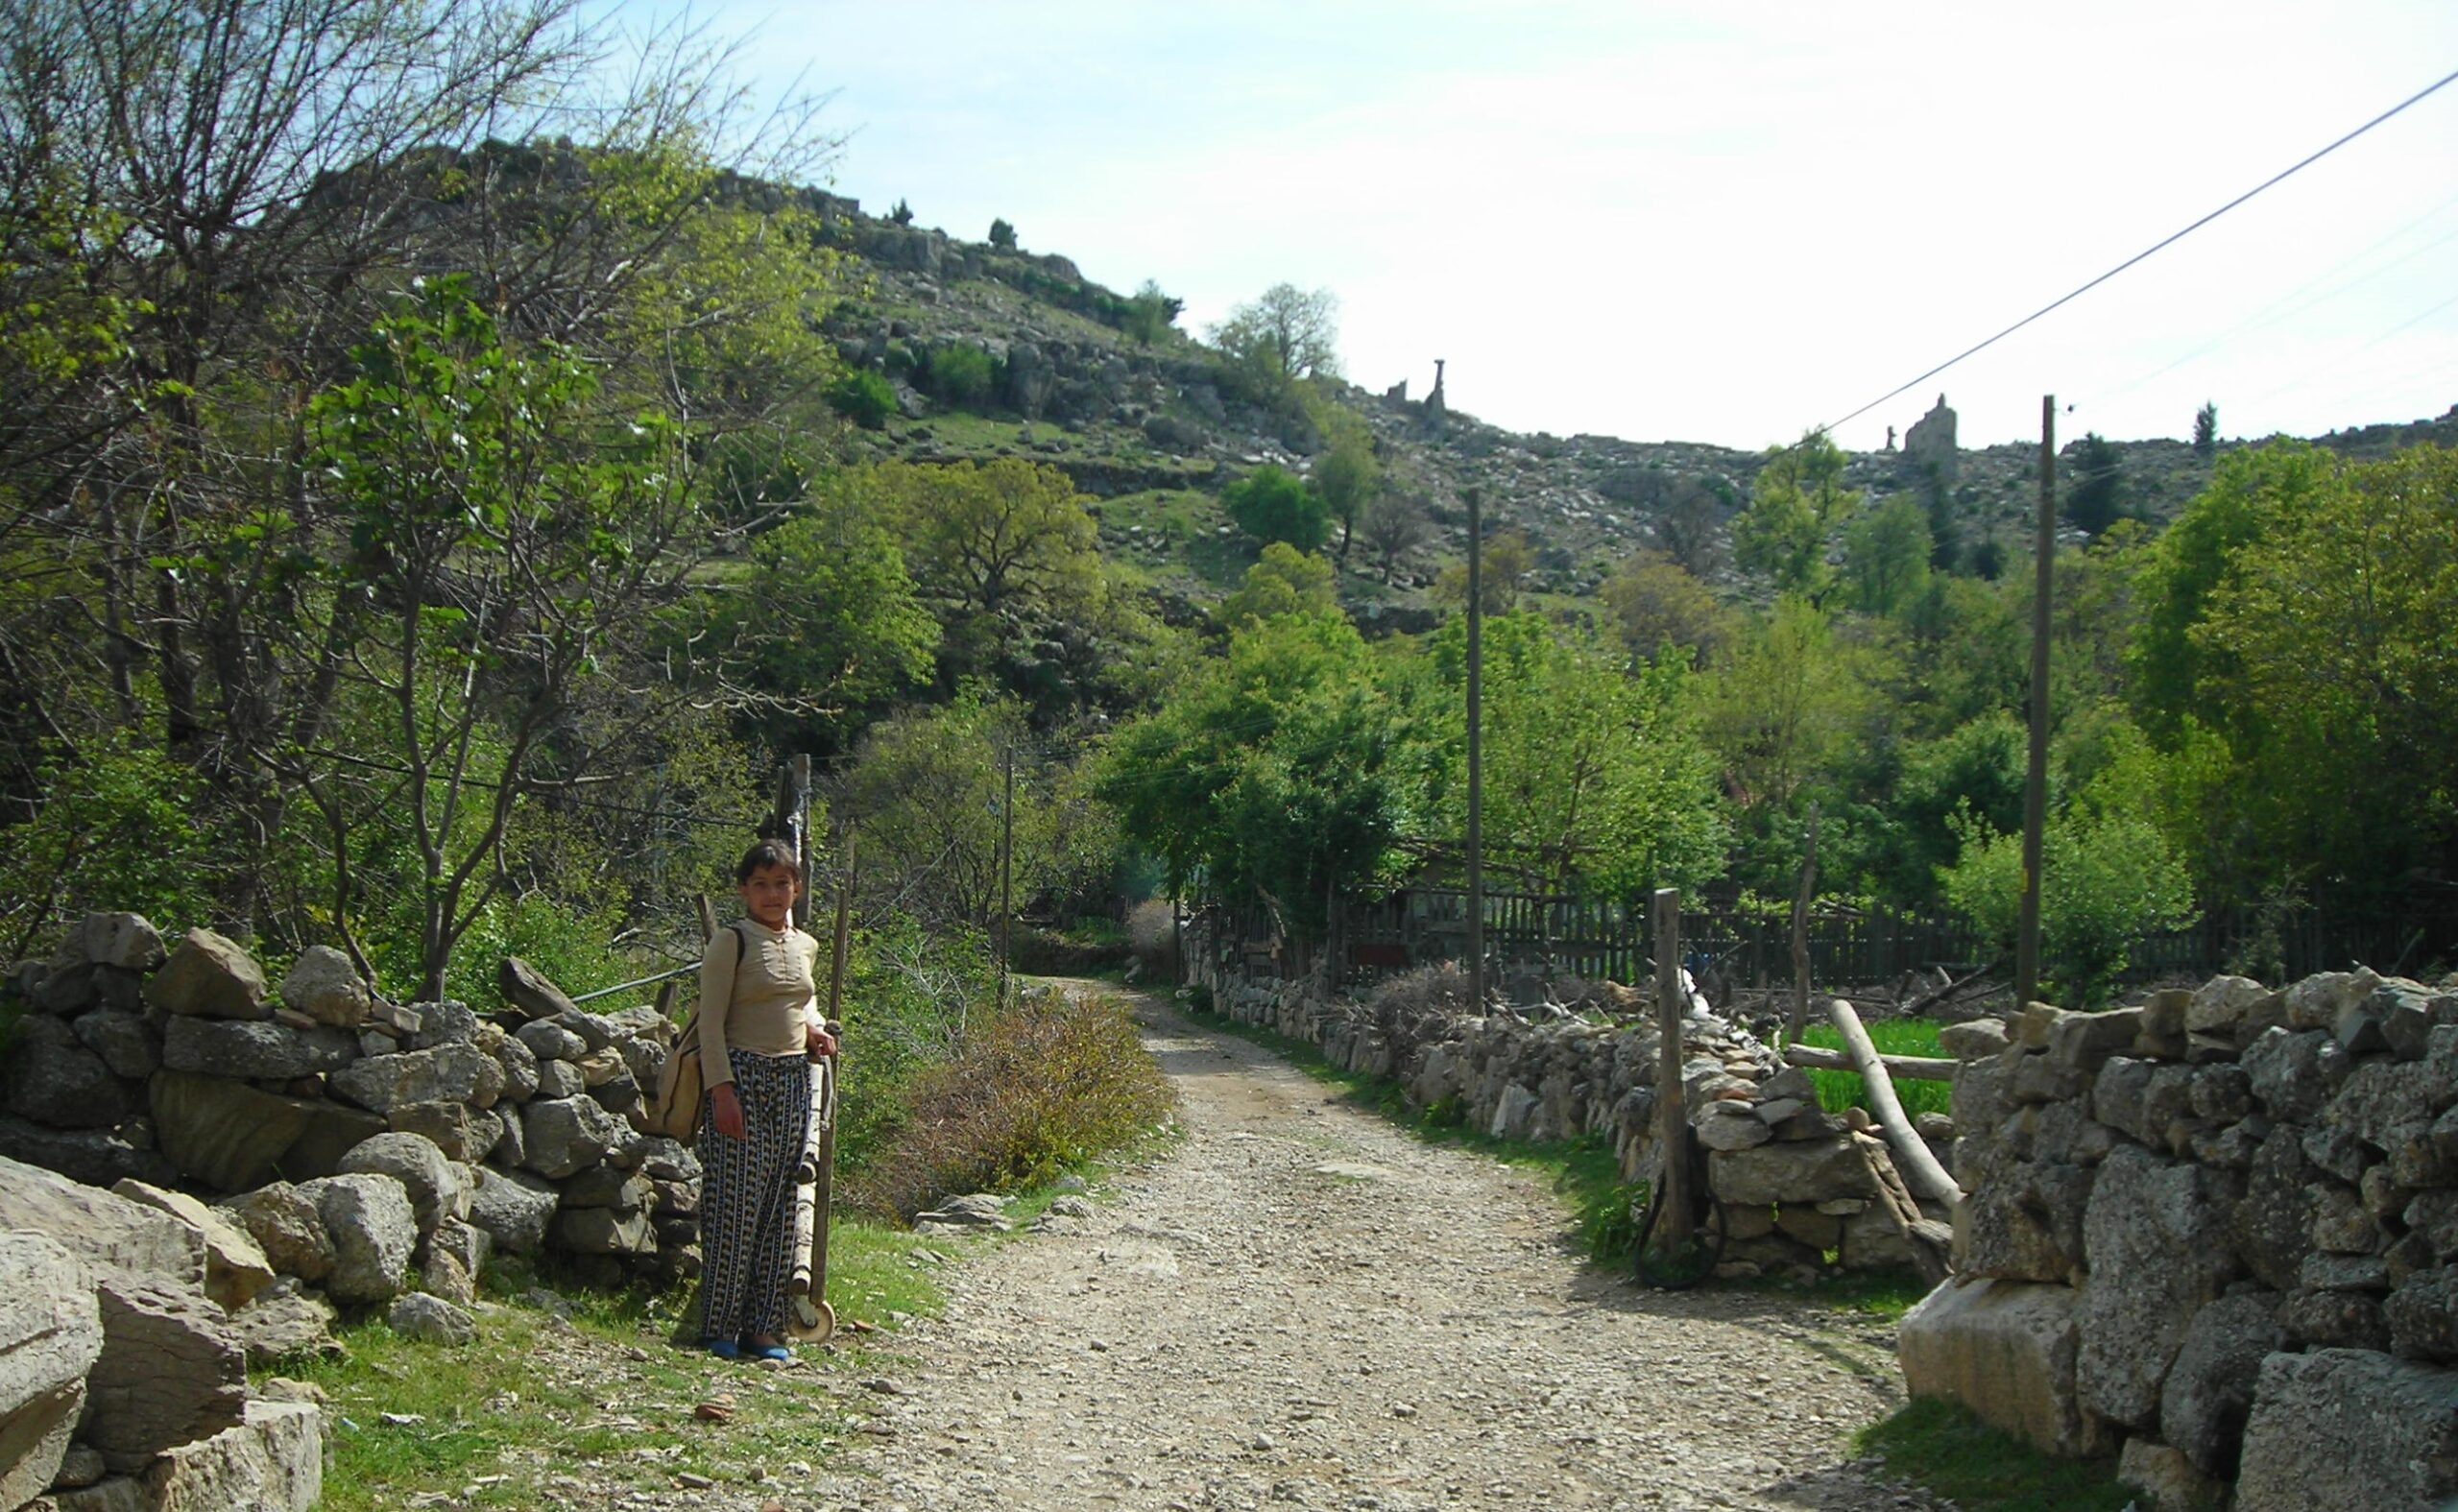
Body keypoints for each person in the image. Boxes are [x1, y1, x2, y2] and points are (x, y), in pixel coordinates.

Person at [695, 838, 837, 1361]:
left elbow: (803, 1003)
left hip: (792, 1079)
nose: (772, 894)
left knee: (780, 1206)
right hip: (743, 1077)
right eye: (761, 884)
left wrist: (814, 1032)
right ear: (744, 890)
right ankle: (720, 1328)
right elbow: (710, 1023)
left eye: (782, 883)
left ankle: (763, 1329)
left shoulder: (805, 945)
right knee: (734, 1205)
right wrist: (722, 1090)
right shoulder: (731, 942)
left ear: (796, 888)